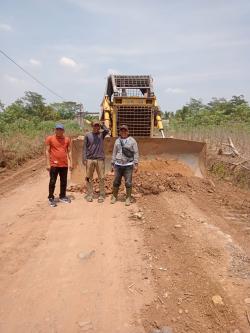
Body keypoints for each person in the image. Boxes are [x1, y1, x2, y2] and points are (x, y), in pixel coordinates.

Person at [111, 125, 139, 206]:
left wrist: (136, 164)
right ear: (119, 132)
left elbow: (136, 153)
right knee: (116, 181)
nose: (123, 132)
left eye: (125, 131)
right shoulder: (117, 141)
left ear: (128, 132)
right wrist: (112, 164)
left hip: (128, 165)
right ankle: (114, 196)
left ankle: (128, 198)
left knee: (128, 182)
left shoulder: (132, 141)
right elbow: (114, 152)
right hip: (118, 165)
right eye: (122, 131)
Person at [45, 123, 72, 207]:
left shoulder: (67, 139)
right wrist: (48, 164)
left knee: (64, 181)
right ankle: (51, 197)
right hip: (54, 164)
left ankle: (62, 196)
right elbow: (47, 151)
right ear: (55, 130)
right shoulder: (50, 138)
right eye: (57, 129)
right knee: (52, 181)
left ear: (63, 131)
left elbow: (69, 151)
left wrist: (71, 162)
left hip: (64, 164)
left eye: (60, 129)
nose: (59, 131)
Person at [83, 120, 109, 203]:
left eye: (97, 126)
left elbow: (107, 130)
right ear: (92, 126)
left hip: (100, 159)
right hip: (90, 159)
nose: (96, 127)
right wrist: (84, 158)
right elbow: (84, 147)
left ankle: (101, 194)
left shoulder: (101, 134)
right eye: (95, 125)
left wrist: (102, 125)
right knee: (89, 178)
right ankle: (90, 194)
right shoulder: (87, 135)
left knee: (101, 177)